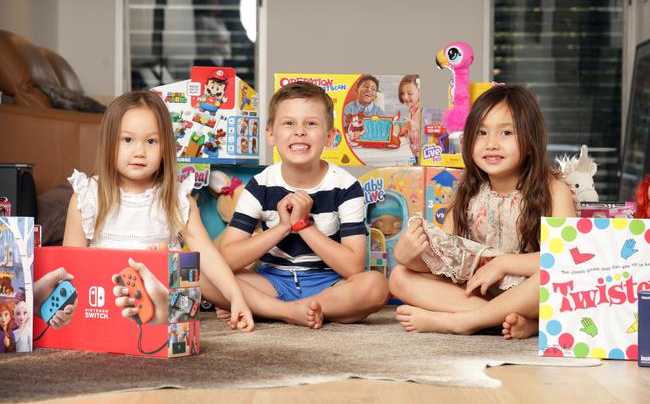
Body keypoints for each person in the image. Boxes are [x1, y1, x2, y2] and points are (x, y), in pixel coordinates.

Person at [388, 85, 576, 339]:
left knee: (550, 278)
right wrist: (406, 255)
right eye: (481, 133)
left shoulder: (554, 190)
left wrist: (505, 263)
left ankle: (463, 322)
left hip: (530, 289)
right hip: (482, 293)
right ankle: (513, 321)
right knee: (400, 277)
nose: (491, 144)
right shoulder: (469, 192)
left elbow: (567, 259)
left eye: (506, 132)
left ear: (531, 142)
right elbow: (446, 261)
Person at [63, 90, 253, 332]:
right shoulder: (88, 196)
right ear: (109, 142)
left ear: (165, 148)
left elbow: (206, 253)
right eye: (127, 140)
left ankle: (245, 304)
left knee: (197, 274)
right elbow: (70, 267)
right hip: (102, 307)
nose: (139, 151)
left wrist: (234, 296)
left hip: (162, 312)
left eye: (151, 141)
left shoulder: (175, 198)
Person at [212, 82, 389, 329]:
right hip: (272, 282)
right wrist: (283, 227)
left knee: (375, 285)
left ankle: (268, 307)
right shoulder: (260, 185)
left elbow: (353, 267)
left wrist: (303, 224)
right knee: (204, 273)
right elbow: (228, 258)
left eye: (311, 123)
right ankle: (290, 311)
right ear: (270, 134)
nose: (299, 132)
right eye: (289, 123)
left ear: (330, 137)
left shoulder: (346, 187)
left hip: (328, 284)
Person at [398, 75, 421, 157]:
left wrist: (417, 126)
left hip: (421, 157)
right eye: (402, 93)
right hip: (412, 155)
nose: (405, 97)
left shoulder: (423, 111)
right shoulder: (412, 111)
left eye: (410, 93)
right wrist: (405, 132)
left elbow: (435, 130)